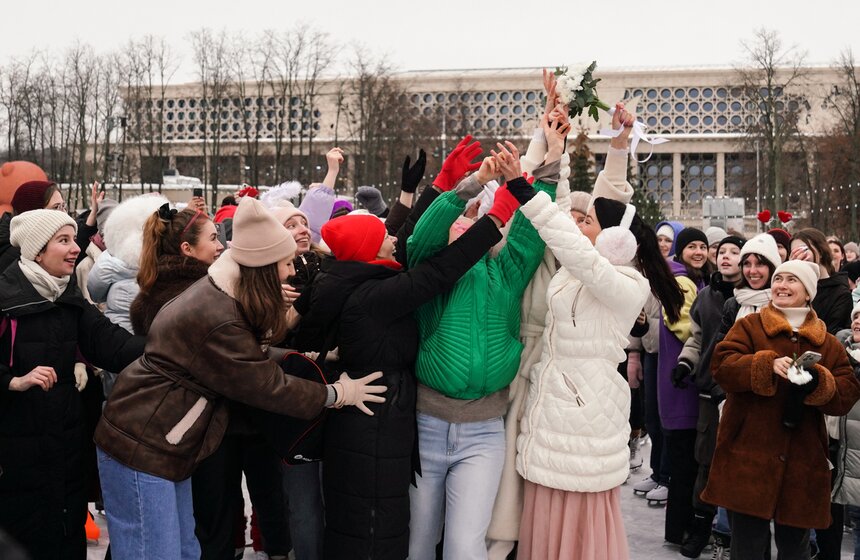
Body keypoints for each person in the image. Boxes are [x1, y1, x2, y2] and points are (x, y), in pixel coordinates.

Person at [94, 197, 384, 559]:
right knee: (155, 552)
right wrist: (335, 394)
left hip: (162, 442)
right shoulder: (218, 313)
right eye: (285, 262)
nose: (291, 270)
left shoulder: (220, 297)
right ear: (263, 266)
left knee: (183, 550)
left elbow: (251, 354)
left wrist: (307, 357)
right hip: (141, 442)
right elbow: (265, 385)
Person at [291, 135, 523, 560]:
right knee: (379, 531)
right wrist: (497, 215)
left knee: (390, 528)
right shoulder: (374, 296)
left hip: (379, 422)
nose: (392, 238)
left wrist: (452, 183)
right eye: (380, 236)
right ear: (365, 250)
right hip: (374, 429)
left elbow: (405, 232)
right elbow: (440, 270)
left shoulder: (355, 278)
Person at [513, 102, 685, 559]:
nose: (575, 220)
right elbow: (571, 206)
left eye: (586, 221)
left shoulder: (622, 278)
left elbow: (593, 221)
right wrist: (564, 145)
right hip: (547, 392)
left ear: (610, 237)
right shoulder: (575, 264)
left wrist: (525, 189)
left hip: (583, 403)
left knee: (579, 507)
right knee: (541, 501)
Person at [406, 130, 562, 559]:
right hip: (426, 426)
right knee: (418, 541)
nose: (468, 226)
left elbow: (530, 236)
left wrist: (540, 169)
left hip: (484, 431)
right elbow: (422, 237)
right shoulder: (431, 272)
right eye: (463, 222)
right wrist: (470, 186)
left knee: (464, 545)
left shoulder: (507, 271)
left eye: (476, 220)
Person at [0, 209, 146, 559]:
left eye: (73, 240)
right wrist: (12, 381)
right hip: (15, 454)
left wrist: (174, 340)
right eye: (63, 241)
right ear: (37, 251)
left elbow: (114, 346)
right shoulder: (6, 300)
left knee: (66, 536)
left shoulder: (68, 297)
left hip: (65, 448)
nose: (75, 249)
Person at [701, 260, 860, 559]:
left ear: (808, 292)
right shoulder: (749, 326)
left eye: (792, 280)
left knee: (795, 546)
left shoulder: (825, 342)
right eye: (779, 279)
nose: (781, 286)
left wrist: (819, 381)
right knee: (747, 543)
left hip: (802, 459)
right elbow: (721, 366)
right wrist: (765, 364)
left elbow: (846, 393)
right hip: (749, 454)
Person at [657, 227, 709, 545]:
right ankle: (679, 531)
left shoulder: (697, 280)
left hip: (687, 386)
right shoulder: (680, 281)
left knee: (689, 463)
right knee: (684, 466)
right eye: (692, 246)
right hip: (681, 388)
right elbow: (684, 326)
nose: (699, 251)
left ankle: (681, 528)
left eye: (703, 246)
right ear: (680, 250)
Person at [791, 228, 853, 334]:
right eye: (794, 252)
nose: (798, 256)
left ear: (820, 252)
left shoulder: (840, 293)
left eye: (803, 249)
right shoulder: (791, 288)